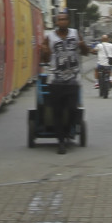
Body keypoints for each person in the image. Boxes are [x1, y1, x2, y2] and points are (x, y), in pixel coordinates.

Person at [38, 11, 82, 151]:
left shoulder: (75, 34)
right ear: (56, 22)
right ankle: (61, 141)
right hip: (55, 82)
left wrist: (83, 45)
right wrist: (44, 52)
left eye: (64, 19)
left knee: (73, 109)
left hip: (73, 81)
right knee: (57, 112)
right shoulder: (49, 37)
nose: (62, 22)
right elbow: (44, 59)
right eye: (60, 19)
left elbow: (85, 51)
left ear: (68, 21)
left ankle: (69, 130)